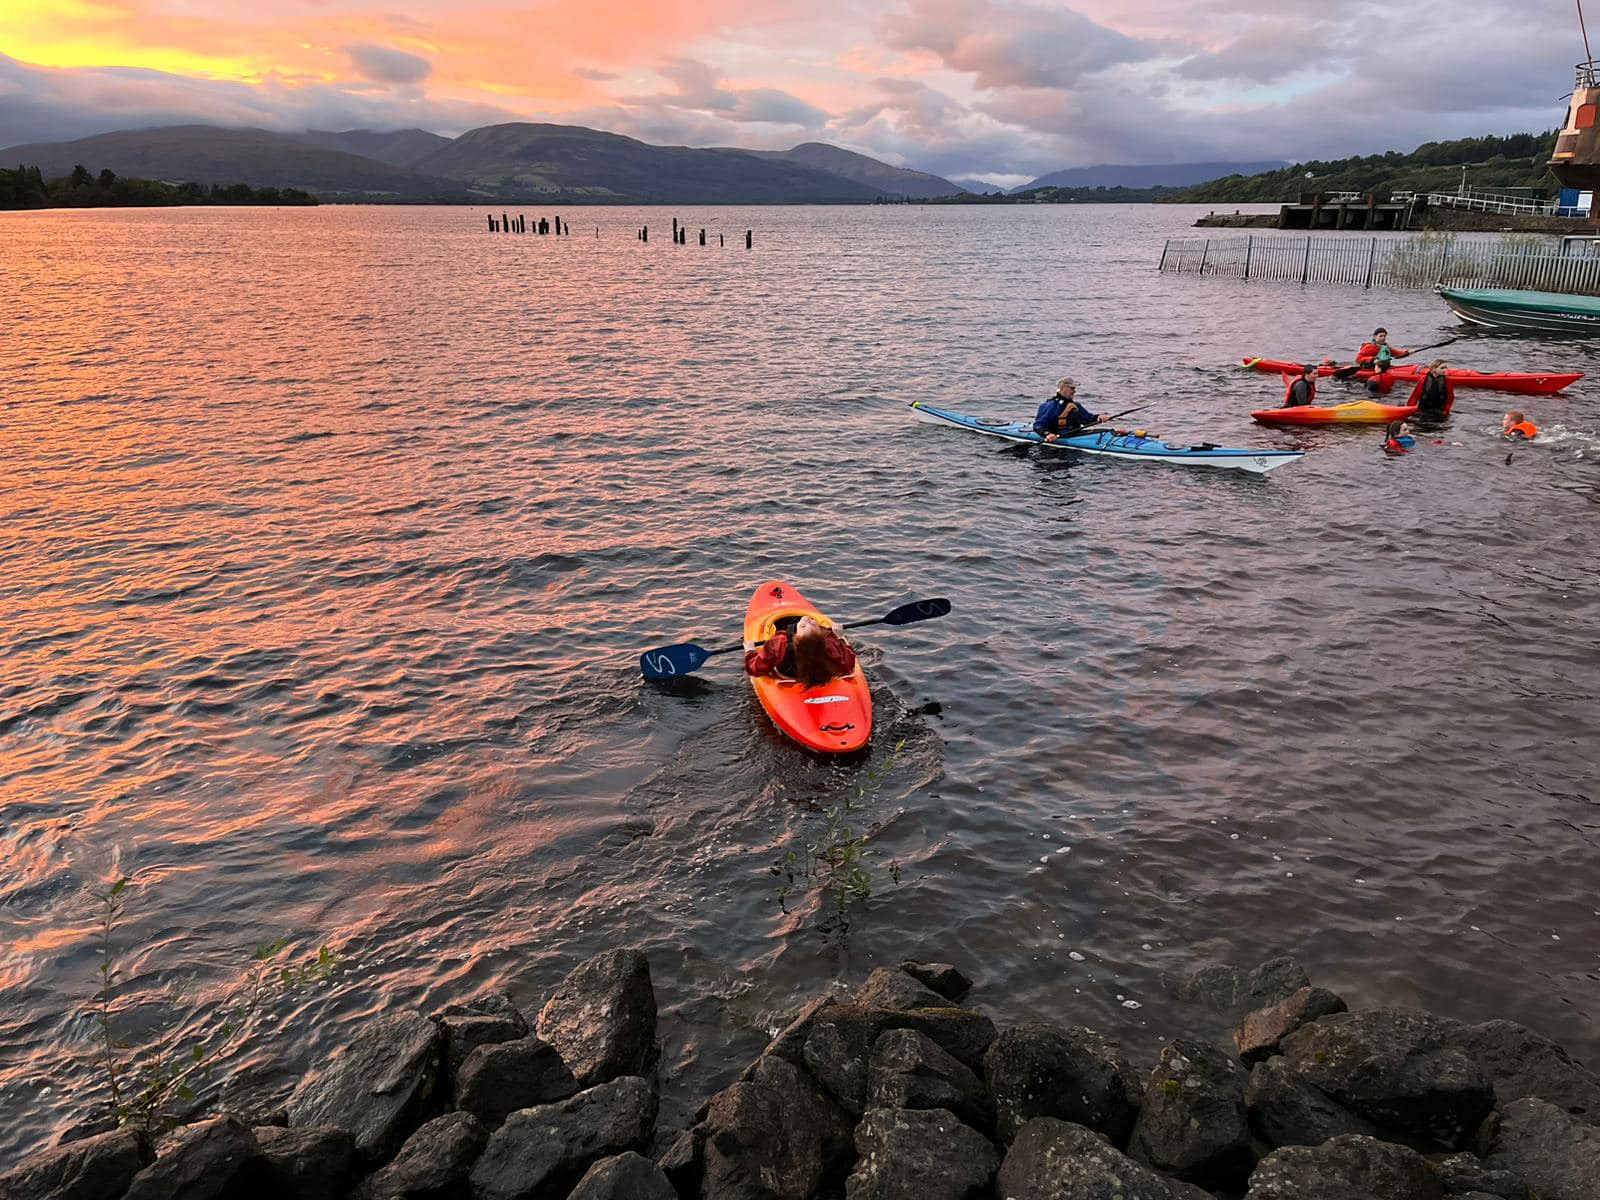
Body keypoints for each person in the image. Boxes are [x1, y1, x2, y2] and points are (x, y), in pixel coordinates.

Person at [745, 615, 856, 687]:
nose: (805, 618)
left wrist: (750, 651)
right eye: (809, 623)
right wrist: (840, 637)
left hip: (788, 677)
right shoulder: (829, 642)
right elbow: (848, 663)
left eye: (804, 625)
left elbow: (755, 668)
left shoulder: (779, 643)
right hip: (819, 677)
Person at [1033, 377, 1107, 441]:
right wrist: (1047, 434)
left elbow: (1088, 419)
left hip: (1075, 435)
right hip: (1058, 437)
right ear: (1063, 389)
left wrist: (1098, 417)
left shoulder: (1075, 405)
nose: (1074, 391)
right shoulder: (1052, 406)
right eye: (1072, 388)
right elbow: (1038, 425)